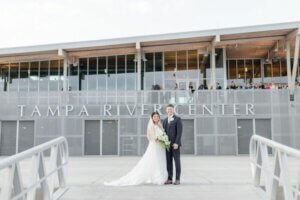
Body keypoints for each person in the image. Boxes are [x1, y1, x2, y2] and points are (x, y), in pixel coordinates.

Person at [104, 112, 168, 186]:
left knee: (160, 160)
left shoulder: (160, 125)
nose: (156, 118)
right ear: (152, 118)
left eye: (157, 116)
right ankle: (158, 177)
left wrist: (163, 139)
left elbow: (163, 134)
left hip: (161, 147)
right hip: (155, 146)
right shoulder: (151, 126)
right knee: (154, 160)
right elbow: (150, 137)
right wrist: (158, 140)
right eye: (154, 116)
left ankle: (160, 176)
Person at [163, 104, 183, 185]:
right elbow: (163, 132)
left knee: (177, 162)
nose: (169, 110)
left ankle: (177, 179)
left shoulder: (178, 119)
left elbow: (179, 132)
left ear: (173, 110)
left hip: (175, 145)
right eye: (168, 109)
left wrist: (177, 143)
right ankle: (170, 178)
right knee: (168, 162)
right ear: (166, 110)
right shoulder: (164, 120)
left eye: (171, 109)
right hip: (167, 145)